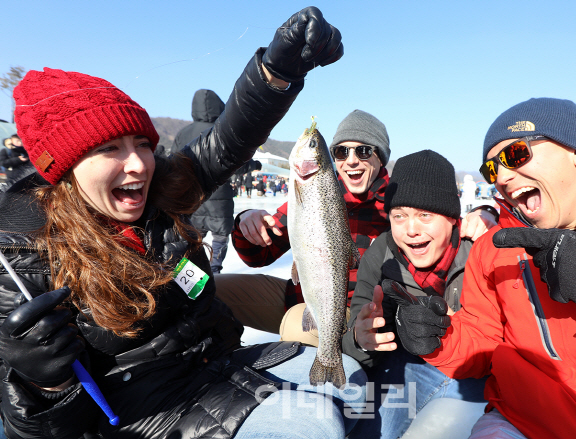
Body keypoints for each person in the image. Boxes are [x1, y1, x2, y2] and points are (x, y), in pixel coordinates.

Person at [0, 8, 368, 439]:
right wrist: (42, 385)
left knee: (358, 387)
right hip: (147, 413)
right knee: (313, 425)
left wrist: (276, 72)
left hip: (219, 365)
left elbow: (229, 139)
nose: (138, 163)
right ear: (63, 168)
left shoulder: (163, 191)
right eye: (109, 149)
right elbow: (35, 430)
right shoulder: (20, 257)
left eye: (142, 143)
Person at [391, 98, 576, 439]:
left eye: (515, 154)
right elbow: (484, 343)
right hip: (525, 422)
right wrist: (438, 337)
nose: (503, 177)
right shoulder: (494, 248)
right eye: (492, 169)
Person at [221, 110, 497, 338]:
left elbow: (440, 225)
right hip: (300, 294)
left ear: (381, 157)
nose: (351, 160)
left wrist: (484, 213)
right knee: (206, 288)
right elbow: (257, 256)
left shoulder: (399, 202)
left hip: (357, 312)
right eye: (341, 152)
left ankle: (316, 397)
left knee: (298, 326)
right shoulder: (316, 192)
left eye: (363, 151)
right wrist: (247, 223)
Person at [344, 150, 490, 439]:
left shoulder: (478, 253)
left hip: (473, 375)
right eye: (399, 216)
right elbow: (352, 340)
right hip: (403, 367)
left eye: (425, 215)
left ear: (451, 218)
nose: (411, 229)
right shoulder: (382, 253)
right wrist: (361, 339)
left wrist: (456, 329)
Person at [170, 89, 238, 273]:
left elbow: (172, 162)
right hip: (219, 193)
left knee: (191, 236)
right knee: (220, 236)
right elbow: (237, 160)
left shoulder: (183, 133)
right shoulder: (223, 131)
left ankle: (194, 280)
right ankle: (215, 269)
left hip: (191, 195)